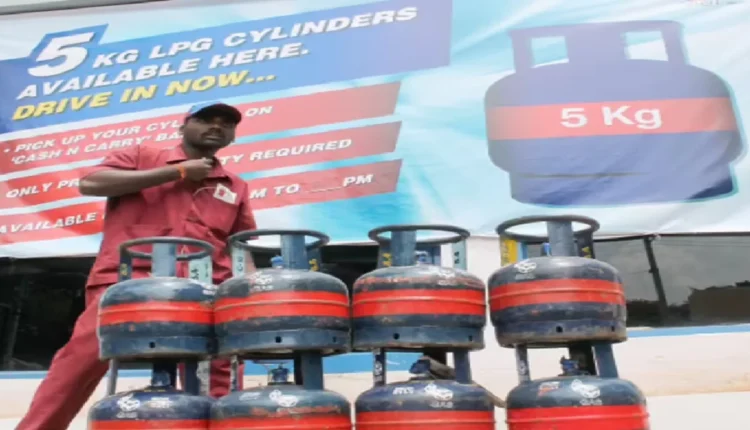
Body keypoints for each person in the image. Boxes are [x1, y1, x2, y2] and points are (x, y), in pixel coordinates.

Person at [17, 101, 257, 430]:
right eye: (205, 120)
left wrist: (249, 291)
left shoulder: (234, 185)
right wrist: (178, 172)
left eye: (226, 123)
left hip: (205, 289)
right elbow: (91, 183)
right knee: (82, 357)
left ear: (232, 136)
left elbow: (238, 244)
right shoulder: (142, 155)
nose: (216, 126)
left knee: (221, 364)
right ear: (183, 126)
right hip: (129, 280)